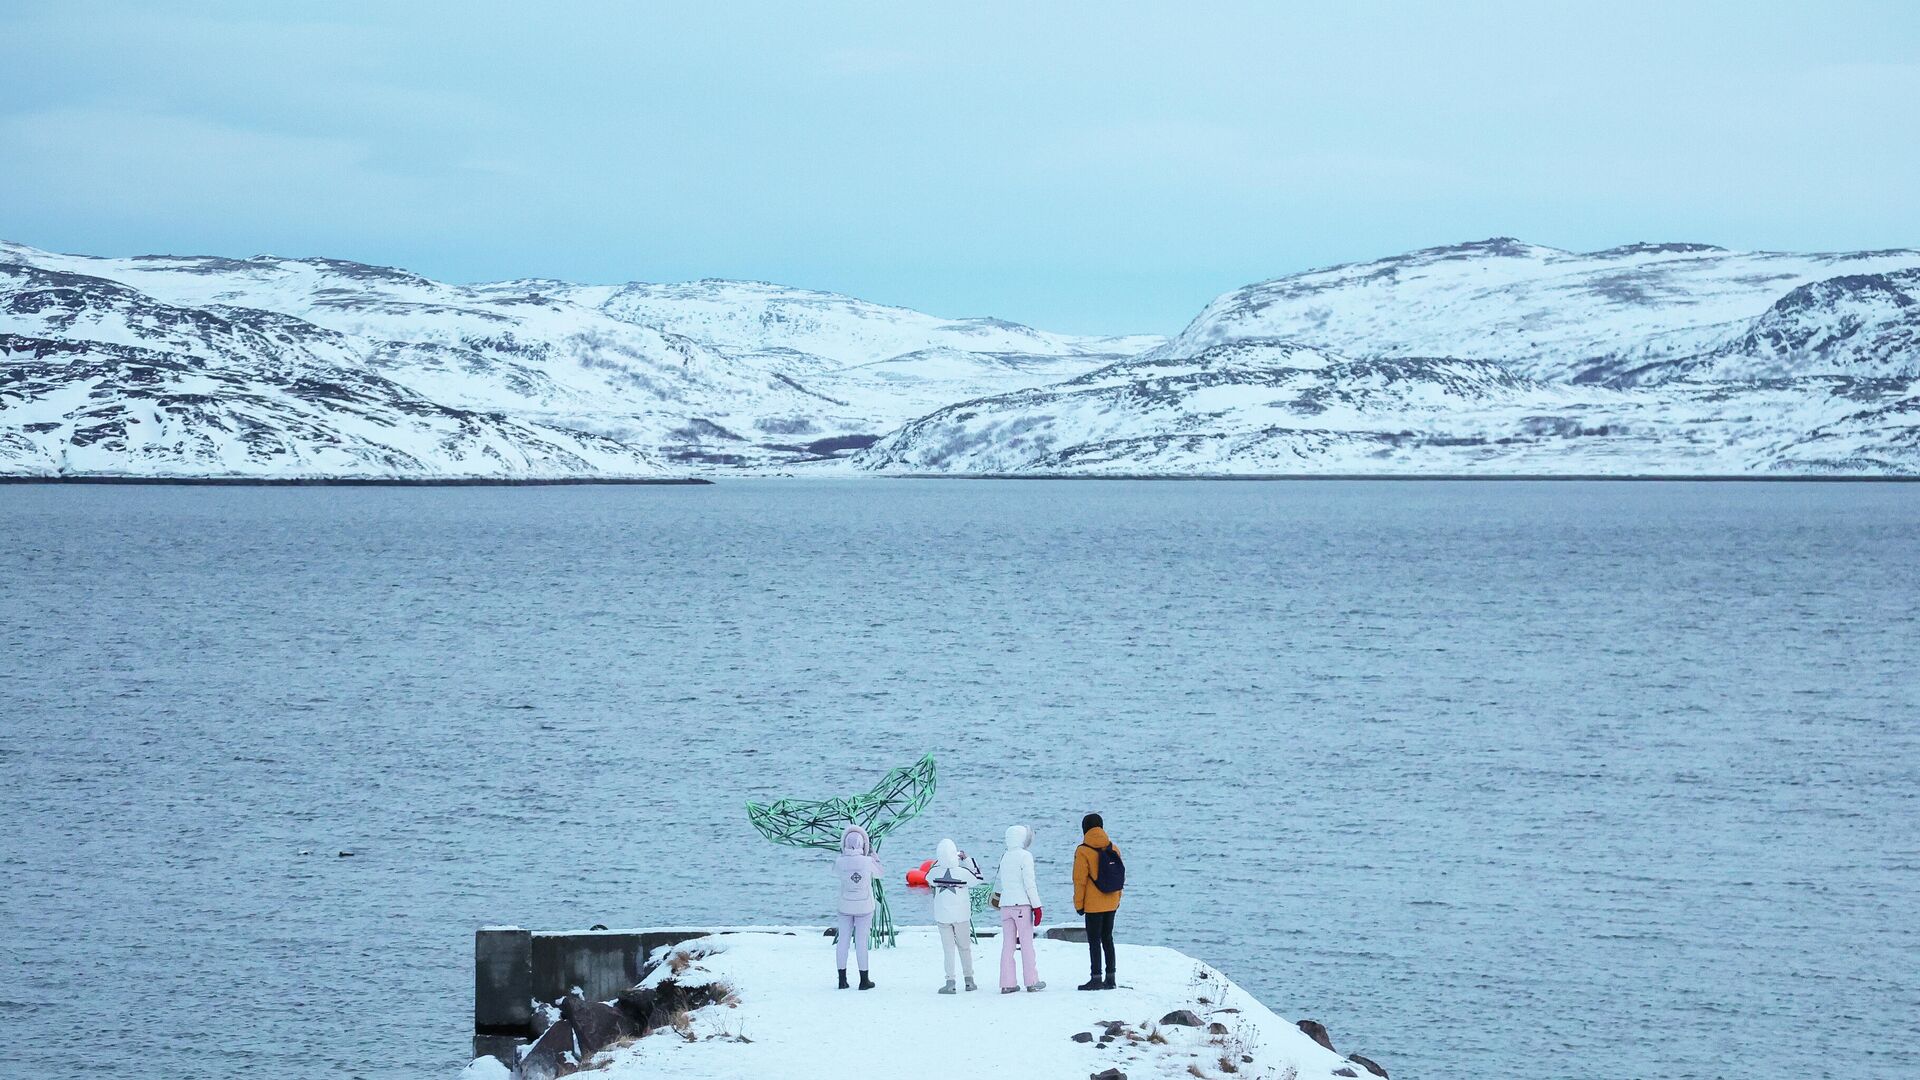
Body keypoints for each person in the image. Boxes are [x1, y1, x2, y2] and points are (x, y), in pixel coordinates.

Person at [1073, 812, 1123, 991]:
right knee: (1108, 938)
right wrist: (1117, 900)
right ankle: (1111, 978)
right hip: (1111, 902)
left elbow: (1079, 881)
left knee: (1094, 941)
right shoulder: (1113, 848)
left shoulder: (1083, 850)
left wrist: (1079, 905)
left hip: (1093, 905)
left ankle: (1096, 978)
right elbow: (1120, 877)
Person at [928, 838, 983, 994]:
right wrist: (967, 860)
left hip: (942, 915)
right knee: (965, 948)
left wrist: (939, 862)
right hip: (961, 915)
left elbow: (927, 877)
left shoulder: (935, 872)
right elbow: (979, 877)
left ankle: (950, 981)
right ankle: (969, 980)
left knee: (948, 950)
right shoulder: (963, 872)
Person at [995, 824, 1045, 993]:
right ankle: (1031, 981)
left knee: (1007, 945)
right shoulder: (1025, 856)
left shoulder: (1005, 856)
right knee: (1026, 944)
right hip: (1022, 905)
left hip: (1005, 905)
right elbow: (1029, 884)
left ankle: (1007, 983)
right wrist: (1037, 906)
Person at [834, 824, 882, 990]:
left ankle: (842, 980)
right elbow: (880, 873)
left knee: (843, 942)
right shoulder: (868, 861)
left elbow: (835, 872)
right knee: (861, 943)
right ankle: (864, 980)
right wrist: (874, 856)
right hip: (864, 906)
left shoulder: (839, 862)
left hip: (845, 906)